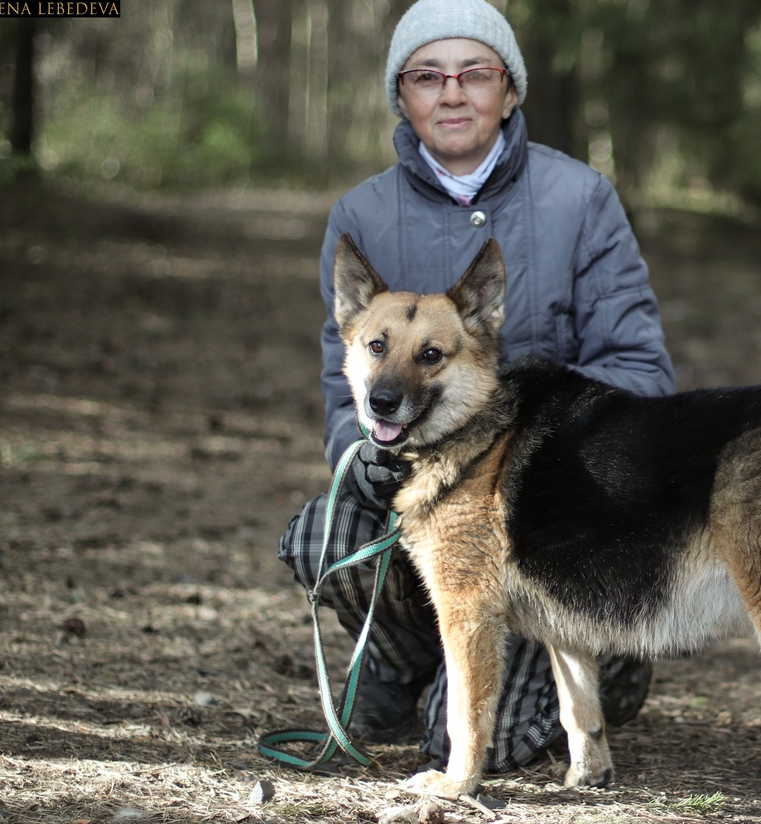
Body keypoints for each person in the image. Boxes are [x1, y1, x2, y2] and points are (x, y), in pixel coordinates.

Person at [277, 0, 676, 776]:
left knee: (458, 744)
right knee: (321, 535)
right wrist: (355, 448)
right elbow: (344, 382)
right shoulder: (360, 214)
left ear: (511, 90)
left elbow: (641, 373)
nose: (451, 94)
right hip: (425, 499)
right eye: (428, 76)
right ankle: (404, 663)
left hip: (552, 523)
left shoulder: (581, 199)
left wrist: (528, 435)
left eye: (475, 74)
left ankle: (600, 671)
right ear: (402, 95)